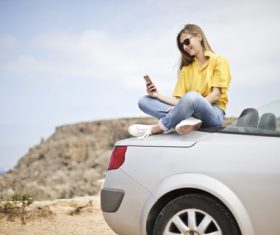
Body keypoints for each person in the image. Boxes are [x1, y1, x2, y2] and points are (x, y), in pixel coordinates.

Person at [128, 24, 231, 138]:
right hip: (188, 111)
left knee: (192, 97)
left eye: (186, 42)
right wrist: (156, 95)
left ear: (199, 37)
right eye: (182, 45)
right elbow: (178, 101)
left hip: (213, 113)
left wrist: (188, 108)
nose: (185, 47)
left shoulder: (219, 61)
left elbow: (216, 95)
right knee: (144, 101)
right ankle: (185, 120)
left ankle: (159, 127)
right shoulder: (186, 70)